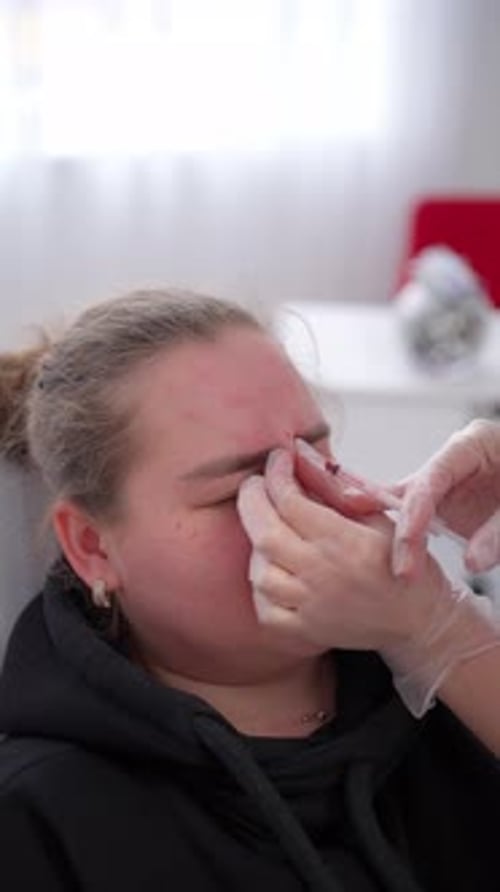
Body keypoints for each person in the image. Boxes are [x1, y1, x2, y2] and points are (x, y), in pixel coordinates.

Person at [0, 288, 499, 892]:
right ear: (92, 547)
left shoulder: (447, 681)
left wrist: (441, 635)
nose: (316, 500)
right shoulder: (40, 817)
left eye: (319, 454)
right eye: (242, 488)